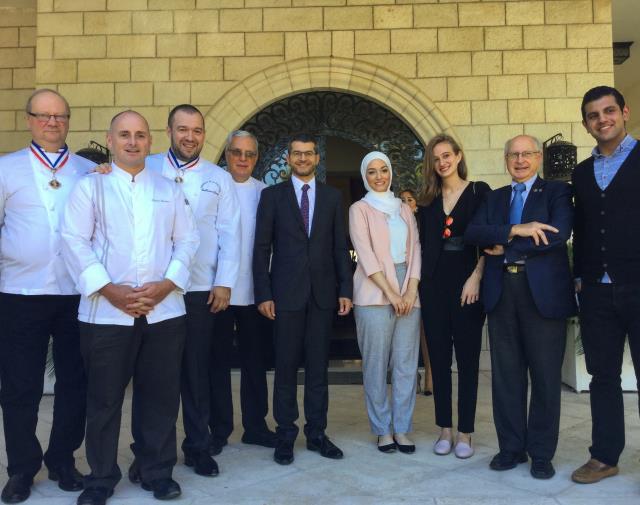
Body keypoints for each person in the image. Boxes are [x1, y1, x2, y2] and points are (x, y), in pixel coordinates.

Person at [61, 110, 199, 505]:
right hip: (106, 313)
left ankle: (155, 471)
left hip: (164, 310)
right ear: (111, 138)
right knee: (104, 400)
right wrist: (110, 290)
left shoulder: (168, 188)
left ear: (150, 141)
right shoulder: (91, 188)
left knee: (159, 397)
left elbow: (187, 241)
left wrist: (166, 285)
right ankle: (101, 478)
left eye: (140, 135)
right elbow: (74, 241)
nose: (133, 142)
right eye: (125, 135)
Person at [0, 89, 93, 504]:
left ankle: (62, 460)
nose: (52, 122)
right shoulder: (6, 169)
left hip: (75, 293)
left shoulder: (90, 172)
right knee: (21, 386)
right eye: (43, 116)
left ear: (68, 121)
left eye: (59, 116)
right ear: (29, 120)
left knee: (75, 382)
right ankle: (21, 468)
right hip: (21, 293)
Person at [465, 134, 575, 480]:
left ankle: (541, 453)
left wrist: (507, 246)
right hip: (502, 293)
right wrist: (516, 228)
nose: (520, 159)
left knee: (544, 377)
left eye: (527, 153)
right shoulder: (494, 197)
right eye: (513, 154)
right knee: (506, 376)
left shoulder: (556, 192)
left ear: (539, 157)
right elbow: (474, 233)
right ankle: (511, 448)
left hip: (541, 294)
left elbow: (557, 234)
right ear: (505, 159)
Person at [144, 105, 240, 477]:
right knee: (157, 374)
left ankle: (198, 447)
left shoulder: (219, 177)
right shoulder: (147, 168)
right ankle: (151, 450)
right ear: (169, 130)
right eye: (182, 129)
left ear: (204, 134)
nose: (189, 136)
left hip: (201, 289)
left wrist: (224, 282)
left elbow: (231, 232)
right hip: (157, 289)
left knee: (197, 372)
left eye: (196, 130)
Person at [253, 133, 353, 465]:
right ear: (288, 158)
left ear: (317, 158)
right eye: (297, 154)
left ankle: (317, 434)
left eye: (308, 153)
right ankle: (285, 435)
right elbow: (262, 248)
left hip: (323, 295)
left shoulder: (333, 197)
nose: (303, 158)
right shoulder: (271, 196)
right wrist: (263, 293)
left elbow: (341, 247)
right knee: (284, 368)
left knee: (317, 369)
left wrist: (345, 289)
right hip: (285, 296)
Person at [571, 86, 640, 484]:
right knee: (603, 377)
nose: (603, 119)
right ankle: (604, 456)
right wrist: (580, 278)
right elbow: (581, 230)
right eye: (594, 115)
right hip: (597, 289)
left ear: (624, 112)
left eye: (609, 110)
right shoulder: (581, 172)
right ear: (586, 124)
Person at [418, 134, 490, 459]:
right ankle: (444, 428)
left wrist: (476, 276)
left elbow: (490, 240)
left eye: (447, 155)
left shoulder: (479, 192)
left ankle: (465, 432)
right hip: (433, 287)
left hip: (467, 285)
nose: (443, 162)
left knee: (468, 360)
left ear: (458, 156)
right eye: (437, 158)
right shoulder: (426, 200)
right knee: (440, 360)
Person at [208, 130, 276, 455]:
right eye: (237, 152)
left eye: (249, 154)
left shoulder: (266, 193)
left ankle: (256, 426)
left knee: (255, 362)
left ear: (256, 158)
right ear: (226, 154)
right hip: (217, 290)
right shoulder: (212, 185)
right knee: (217, 363)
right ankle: (218, 429)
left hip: (254, 292)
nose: (243, 159)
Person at [348, 152, 421, 454]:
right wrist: (392, 294)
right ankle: (382, 430)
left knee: (405, 365)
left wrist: (410, 291)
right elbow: (364, 254)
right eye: (373, 172)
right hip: (374, 289)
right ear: (365, 176)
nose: (379, 176)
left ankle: (402, 428)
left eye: (384, 170)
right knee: (376, 366)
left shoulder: (404, 209)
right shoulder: (359, 209)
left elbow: (416, 249)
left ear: (391, 172)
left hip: (408, 289)